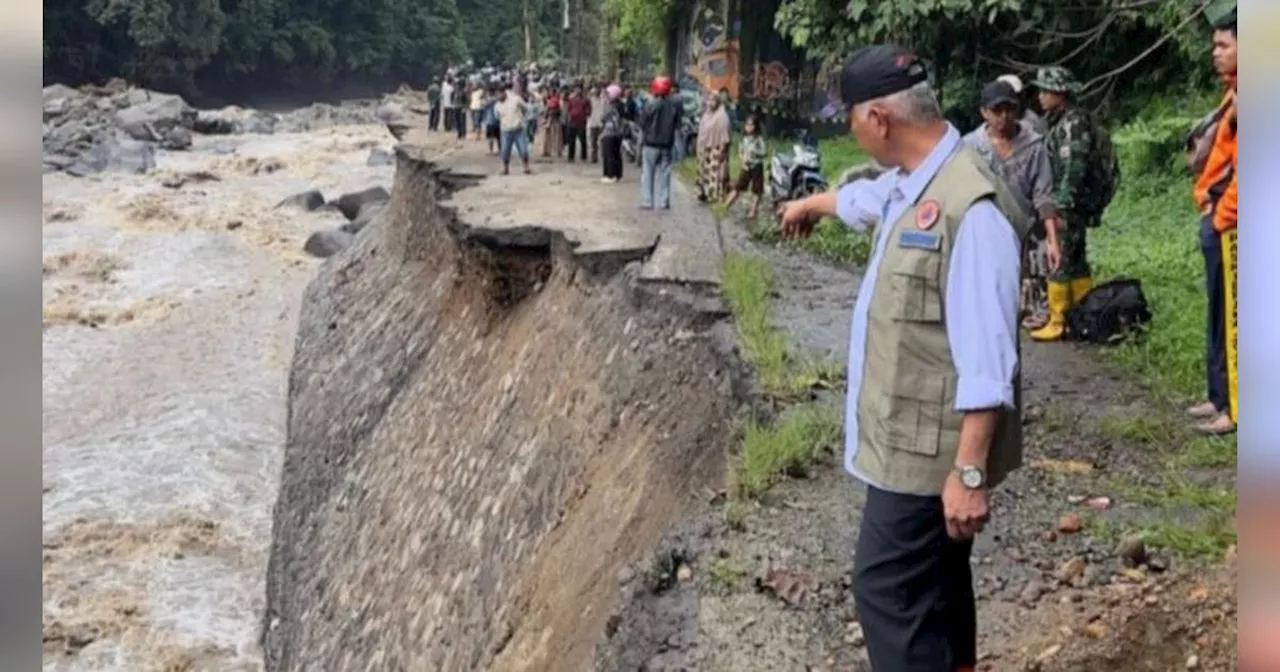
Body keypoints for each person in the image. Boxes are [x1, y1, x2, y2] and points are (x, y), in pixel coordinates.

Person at [779, 45, 1028, 672]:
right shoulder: (915, 182)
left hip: (927, 461)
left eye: (852, 120)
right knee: (937, 588)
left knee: (886, 590)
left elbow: (988, 361)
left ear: (879, 119)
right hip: (911, 447)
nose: (851, 132)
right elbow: (867, 202)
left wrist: (968, 475)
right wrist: (812, 205)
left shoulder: (970, 213)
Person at [964, 79, 1062, 331]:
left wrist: (1052, 240)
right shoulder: (970, 148)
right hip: (985, 233)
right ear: (984, 113)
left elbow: (1044, 194)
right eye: (997, 111)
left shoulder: (1033, 145)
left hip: (1024, 231)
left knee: (1019, 305)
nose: (1004, 117)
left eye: (1009, 109)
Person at [1188, 8, 1237, 436]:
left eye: (1224, 46)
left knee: (1235, 315)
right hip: (1217, 218)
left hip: (1231, 225)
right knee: (1218, 310)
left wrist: (1220, 216)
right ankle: (1219, 395)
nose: (1215, 54)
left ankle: (1235, 407)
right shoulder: (1232, 94)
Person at [1029, 65, 1104, 342]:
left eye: (1045, 91)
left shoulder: (1072, 124)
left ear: (1059, 93)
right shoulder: (1064, 121)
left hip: (1069, 203)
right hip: (1074, 202)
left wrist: (1062, 205)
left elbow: (1074, 166)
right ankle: (1081, 314)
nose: (1040, 96)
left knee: (1058, 257)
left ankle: (1059, 318)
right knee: (1076, 259)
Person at [639, 76, 683, 210]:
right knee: (665, 173)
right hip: (666, 145)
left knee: (648, 172)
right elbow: (678, 124)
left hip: (650, 144)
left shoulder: (650, 104)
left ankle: (647, 201)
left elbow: (642, 123)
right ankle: (664, 201)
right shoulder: (674, 105)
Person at [722, 114, 766, 218]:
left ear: (755, 127)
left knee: (757, 189)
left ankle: (753, 211)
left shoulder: (758, 140)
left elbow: (764, 152)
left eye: (751, 125)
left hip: (756, 166)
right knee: (738, 186)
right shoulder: (744, 138)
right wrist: (742, 159)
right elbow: (740, 150)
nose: (748, 127)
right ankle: (726, 205)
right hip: (746, 166)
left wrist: (754, 152)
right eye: (747, 125)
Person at [695, 96, 732, 202]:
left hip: (716, 148)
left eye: (713, 100)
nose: (710, 103)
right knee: (704, 171)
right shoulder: (706, 115)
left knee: (716, 173)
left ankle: (715, 195)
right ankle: (704, 192)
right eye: (709, 100)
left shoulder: (722, 116)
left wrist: (722, 150)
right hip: (704, 148)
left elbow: (724, 136)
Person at [495, 85, 532, 176]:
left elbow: (525, 108)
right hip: (505, 130)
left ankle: (526, 167)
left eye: (499, 94)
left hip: (518, 129)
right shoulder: (497, 106)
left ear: (504, 93)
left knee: (523, 150)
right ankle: (505, 168)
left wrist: (521, 119)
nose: (498, 97)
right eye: (496, 95)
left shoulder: (516, 99)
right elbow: (497, 117)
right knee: (505, 151)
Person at [565, 86, 592, 162]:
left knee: (583, 140)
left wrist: (585, 114)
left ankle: (583, 156)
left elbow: (589, 110)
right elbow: (569, 109)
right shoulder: (571, 99)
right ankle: (571, 157)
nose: (577, 91)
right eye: (576, 89)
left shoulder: (586, 100)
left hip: (581, 123)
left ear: (581, 90)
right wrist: (569, 116)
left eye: (579, 89)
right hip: (572, 122)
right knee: (571, 141)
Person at [541, 88, 564, 159]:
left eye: (551, 92)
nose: (549, 93)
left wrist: (550, 113)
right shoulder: (549, 100)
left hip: (554, 120)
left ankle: (556, 151)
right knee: (548, 136)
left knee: (555, 136)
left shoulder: (556, 100)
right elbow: (546, 110)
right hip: (549, 119)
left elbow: (559, 111)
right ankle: (548, 151)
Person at [587, 85, 607, 164]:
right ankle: (594, 158)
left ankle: (603, 157)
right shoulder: (590, 100)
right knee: (593, 142)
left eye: (597, 91)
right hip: (593, 123)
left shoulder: (603, 100)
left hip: (601, 123)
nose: (596, 93)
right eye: (595, 92)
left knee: (602, 142)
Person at [483, 87, 501, 154]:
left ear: (489, 92)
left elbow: (484, 106)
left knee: (490, 137)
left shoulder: (489, 100)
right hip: (497, 121)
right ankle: (500, 150)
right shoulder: (498, 99)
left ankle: (491, 151)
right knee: (498, 137)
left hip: (490, 121)